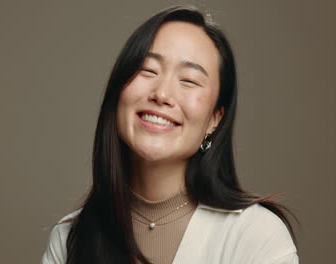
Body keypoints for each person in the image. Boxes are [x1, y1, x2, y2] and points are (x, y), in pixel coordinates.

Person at [41, 5, 299, 264]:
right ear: (118, 90)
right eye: (148, 70)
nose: (162, 94)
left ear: (214, 119)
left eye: (189, 80)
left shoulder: (255, 236)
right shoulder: (69, 239)